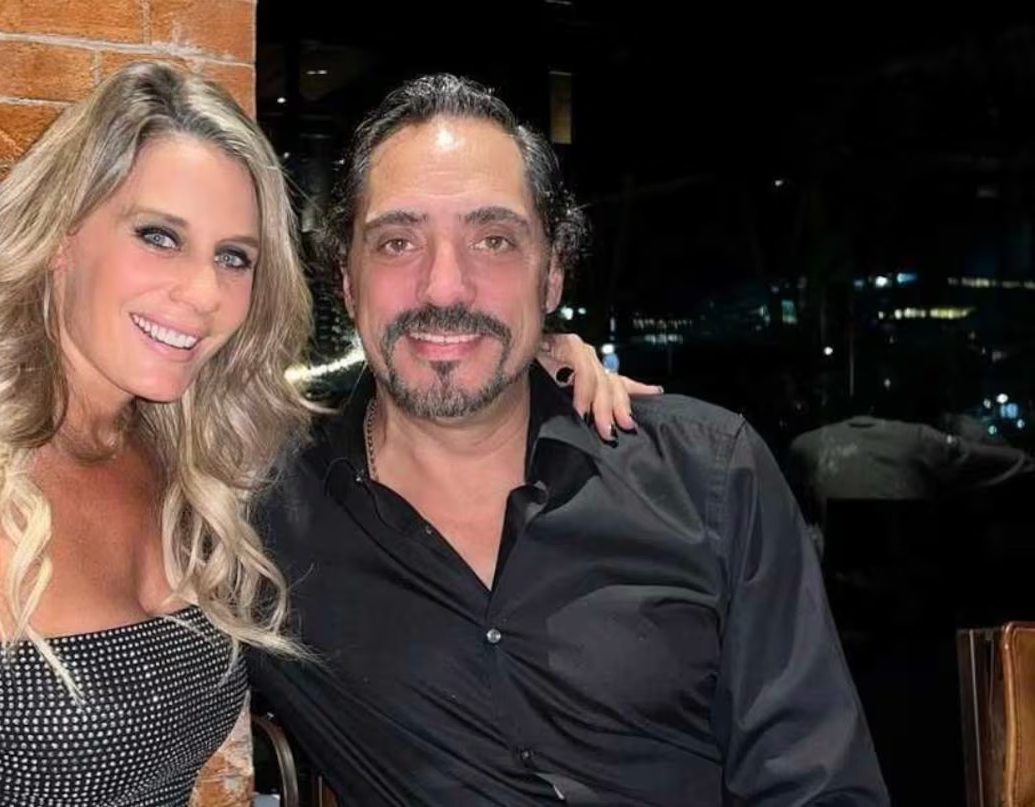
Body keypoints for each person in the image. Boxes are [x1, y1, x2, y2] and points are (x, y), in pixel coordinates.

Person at [0, 62, 637, 806]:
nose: (201, 293)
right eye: (158, 236)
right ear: (61, 236)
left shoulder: (198, 465)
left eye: (233, 256)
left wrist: (540, 355)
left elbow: (397, 410)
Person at [250, 74, 889, 806]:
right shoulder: (267, 525)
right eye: (398, 242)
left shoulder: (709, 476)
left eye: (493, 240)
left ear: (550, 274)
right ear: (347, 280)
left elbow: (817, 786)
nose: (444, 288)